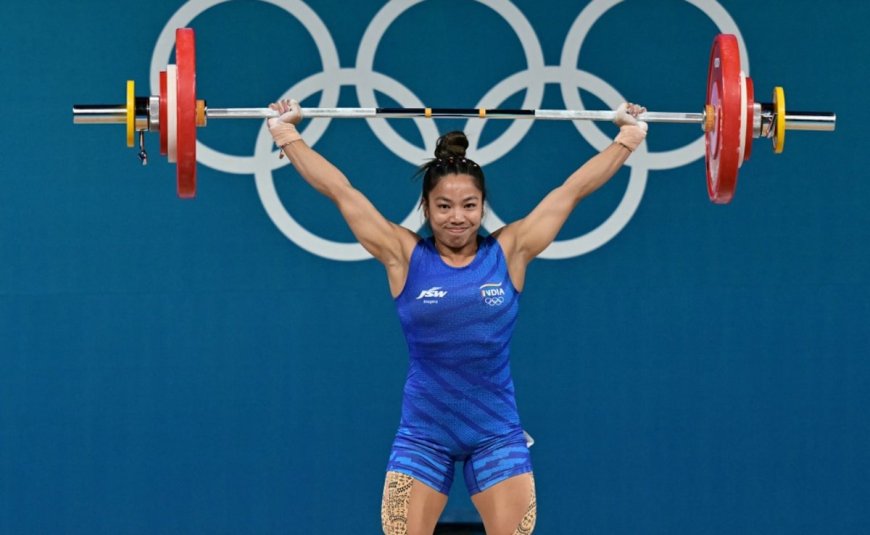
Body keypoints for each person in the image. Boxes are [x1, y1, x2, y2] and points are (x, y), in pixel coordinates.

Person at [267, 99, 647, 535]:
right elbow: (341, 191)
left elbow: (571, 191)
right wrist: (287, 135)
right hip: (423, 435)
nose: (457, 218)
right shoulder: (403, 255)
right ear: (426, 208)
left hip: (496, 434)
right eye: (444, 206)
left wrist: (628, 139)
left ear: (483, 206)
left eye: (469, 205)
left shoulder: (511, 251)